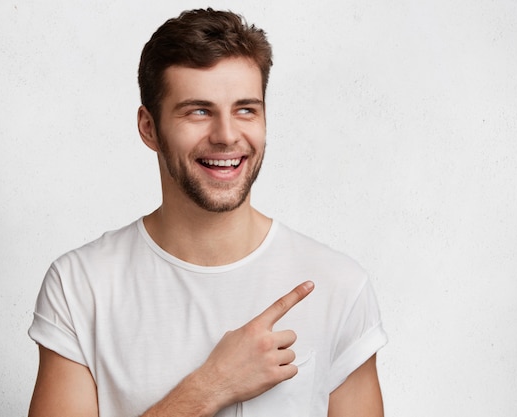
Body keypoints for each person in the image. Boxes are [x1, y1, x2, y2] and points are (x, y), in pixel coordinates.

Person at [27, 8, 387, 417]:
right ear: (149, 127)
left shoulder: (338, 286)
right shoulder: (80, 287)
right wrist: (212, 385)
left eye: (246, 109)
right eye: (198, 111)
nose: (227, 135)